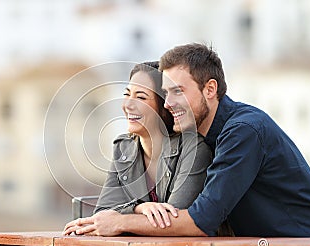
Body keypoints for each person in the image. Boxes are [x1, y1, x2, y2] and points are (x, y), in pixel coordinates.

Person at [63, 43, 310, 237]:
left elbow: (200, 220)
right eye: (165, 93)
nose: (169, 103)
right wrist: (136, 210)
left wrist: (121, 221)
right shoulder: (201, 135)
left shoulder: (243, 131)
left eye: (178, 92)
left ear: (210, 90)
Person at [80, 61, 212, 229]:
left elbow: (174, 220)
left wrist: (122, 219)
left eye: (141, 97)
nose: (127, 105)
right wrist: (139, 208)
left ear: (164, 106)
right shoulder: (123, 148)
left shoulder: (193, 149)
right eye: (127, 94)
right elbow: (103, 213)